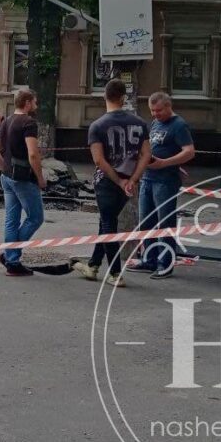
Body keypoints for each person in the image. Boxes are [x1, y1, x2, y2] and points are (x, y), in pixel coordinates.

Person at [74, 80, 151, 287]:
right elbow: (146, 155)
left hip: (108, 181)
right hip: (128, 182)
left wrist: (118, 180)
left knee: (109, 225)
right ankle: (93, 265)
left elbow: (99, 160)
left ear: (104, 96)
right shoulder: (140, 123)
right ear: (124, 97)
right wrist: (132, 179)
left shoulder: (98, 126)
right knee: (106, 222)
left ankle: (116, 273)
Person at [128, 91, 195, 279]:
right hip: (149, 177)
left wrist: (166, 163)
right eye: (152, 111)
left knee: (165, 223)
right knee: (146, 221)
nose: (155, 115)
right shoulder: (157, 123)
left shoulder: (179, 125)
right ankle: (149, 260)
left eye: (158, 111)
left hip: (165, 181)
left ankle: (165, 264)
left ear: (168, 106)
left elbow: (189, 151)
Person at [0, 90, 45, 277]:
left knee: (11, 220)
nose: (36, 104)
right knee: (35, 218)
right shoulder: (28, 123)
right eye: (34, 101)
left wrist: (6, 169)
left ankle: (11, 258)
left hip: (7, 178)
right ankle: (11, 257)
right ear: (27, 103)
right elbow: (33, 154)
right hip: (24, 179)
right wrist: (40, 178)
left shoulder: (6, 122)